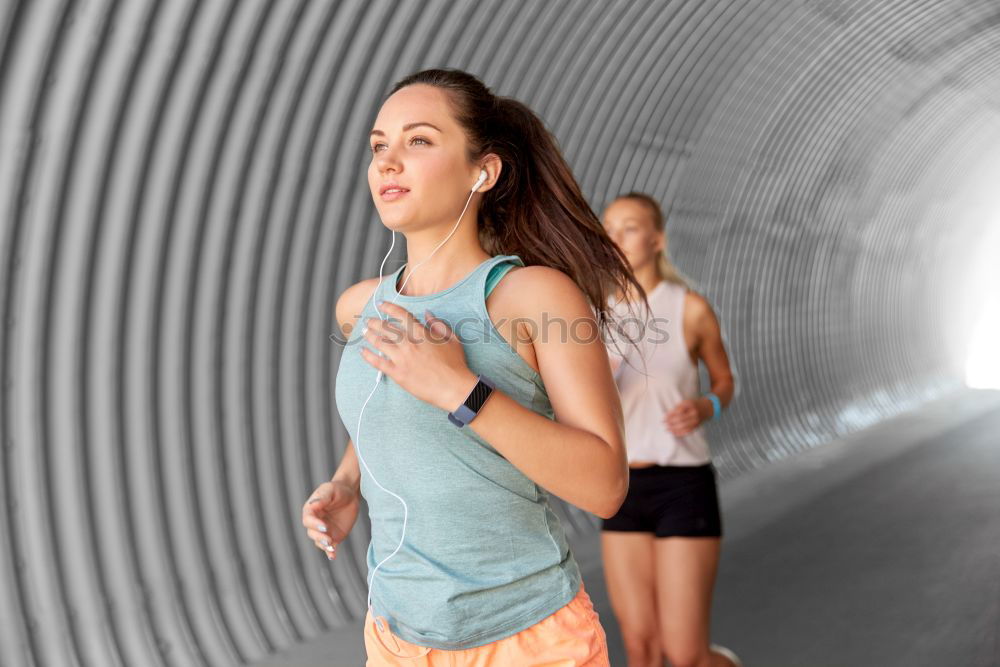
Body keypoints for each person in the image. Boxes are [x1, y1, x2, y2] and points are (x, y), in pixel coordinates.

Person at [300, 68, 646, 665]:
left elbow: (605, 485)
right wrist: (348, 482)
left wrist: (460, 388)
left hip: (527, 639)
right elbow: (388, 400)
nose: (387, 162)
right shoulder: (360, 306)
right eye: (379, 145)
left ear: (483, 172)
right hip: (395, 636)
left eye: (419, 141)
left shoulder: (534, 296)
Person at [600, 193, 740, 667]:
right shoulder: (593, 317)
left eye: (630, 228)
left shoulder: (689, 308)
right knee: (642, 650)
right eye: (610, 228)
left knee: (684, 657)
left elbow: (724, 382)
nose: (616, 238)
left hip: (683, 483)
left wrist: (707, 406)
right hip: (622, 487)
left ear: (656, 239)